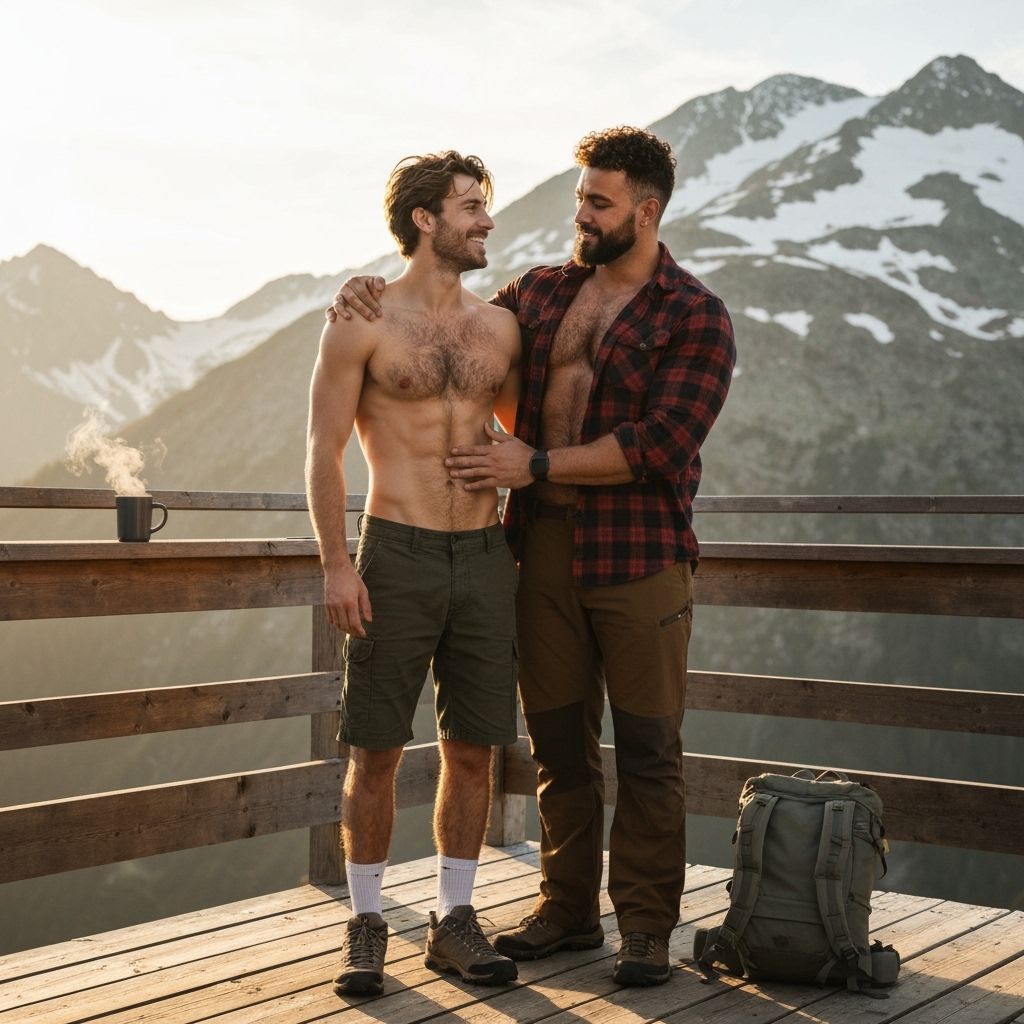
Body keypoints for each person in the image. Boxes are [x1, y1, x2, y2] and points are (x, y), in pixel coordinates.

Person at [328, 126, 735, 987]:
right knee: (556, 745)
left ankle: (647, 928)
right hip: (537, 551)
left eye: (597, 201)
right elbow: (437, 306)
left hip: (640, 556)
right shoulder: (543, 294)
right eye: (579, 196)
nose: (577, 213)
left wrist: (535, 464)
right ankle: (567, 909)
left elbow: (662, 443)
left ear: (646, 210)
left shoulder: (695, 314)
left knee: (651, 750)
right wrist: (361, 286)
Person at [306, 150, 522, 997]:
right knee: (377, 748)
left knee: (475, 749)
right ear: (425, 219)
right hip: (393, 551)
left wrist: (517, 456)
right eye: (471, 207)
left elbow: (528, 429)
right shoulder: (360, 319)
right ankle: (365, 924)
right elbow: (322, 449)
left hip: (484, 553)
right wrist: (336, 562)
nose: (486, 221)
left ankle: (454, 920)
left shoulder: (501, 327)